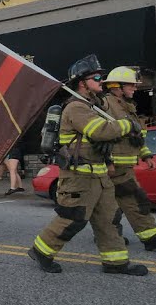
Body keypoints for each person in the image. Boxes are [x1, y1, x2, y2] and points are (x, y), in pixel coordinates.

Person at [29, 55, 147, 277]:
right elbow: (99, 131)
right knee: (72, 219)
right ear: (82, 82)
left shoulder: (91, 106)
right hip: (78, 178)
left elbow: (102, 139)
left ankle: (116, 262)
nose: (101, 81)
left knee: (109, 220)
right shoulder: (75, 108)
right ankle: (41, 251)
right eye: (97, 77)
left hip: (100, 176)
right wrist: (126, 124)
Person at [102, 66, 156, 251]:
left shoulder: (127, 107)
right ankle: (124, 236)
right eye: (131, 86)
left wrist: (146, 155)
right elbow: (99, 135)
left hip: (125, 166)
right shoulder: (105, 105)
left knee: (126, 202)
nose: (135, 89)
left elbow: (136, 136)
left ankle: (147, 238)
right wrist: (107, 161)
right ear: (117, 87)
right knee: (122, 203)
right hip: (113, 167)